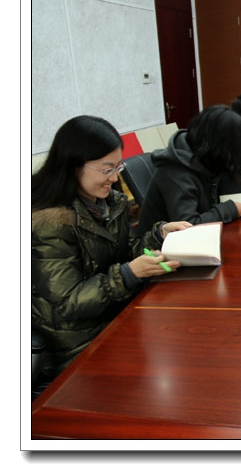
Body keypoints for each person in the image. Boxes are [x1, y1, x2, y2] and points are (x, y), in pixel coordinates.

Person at [32, 115, 192, 379]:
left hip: (118, 317)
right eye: (107, 169)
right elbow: (66, 305)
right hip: (77, 344)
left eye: (118, 167)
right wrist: (128, 274)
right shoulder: (49, 223)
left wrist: (159, 235)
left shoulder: (108, 202)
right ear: (73, 166)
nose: (115, 177)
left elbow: (123, 252)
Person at [137, 104, 241, 237]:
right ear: (220, 146)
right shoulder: (176, 173)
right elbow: (188, 226)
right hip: (160, 247)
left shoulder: (203, 157)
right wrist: (230, 209)